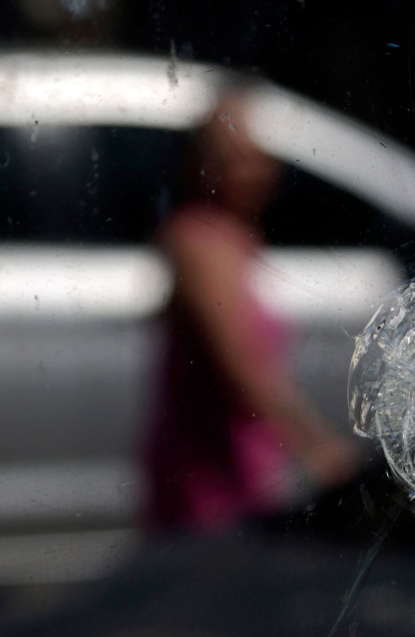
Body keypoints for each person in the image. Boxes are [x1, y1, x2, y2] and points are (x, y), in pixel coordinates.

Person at [145, 94, 359, 531]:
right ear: (199, 163)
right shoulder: (197, 242)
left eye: (256, 157)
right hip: (208, 471)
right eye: (230, 157)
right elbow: (242, 366)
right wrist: (317, 445)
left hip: (243, 460)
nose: (250, 172)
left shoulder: (237, 237)